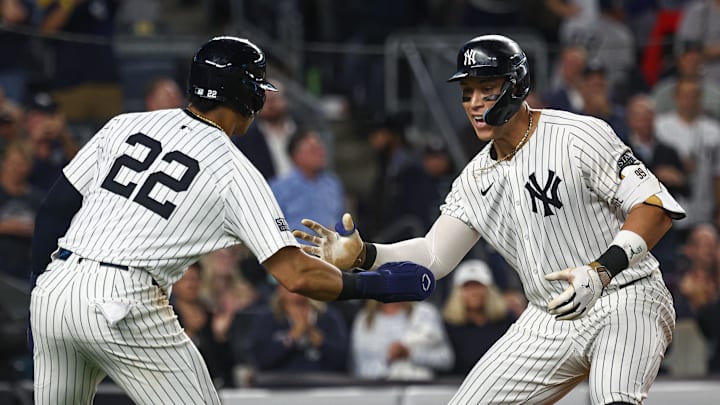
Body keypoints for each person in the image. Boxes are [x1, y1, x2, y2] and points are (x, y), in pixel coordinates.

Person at [28, 36, 435, 405]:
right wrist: (379, 286)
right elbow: (296, 275)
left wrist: (39, 294)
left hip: (54, 289)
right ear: (246, 94)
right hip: (125, 300)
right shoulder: (233, 170)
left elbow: (53, 211)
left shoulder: (126, 124)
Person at [296, 34, 687, 404]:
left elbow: (654, 207)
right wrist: (365, 254)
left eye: (487, 90)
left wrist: (602, 270)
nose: (475, 103)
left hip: (626, 295)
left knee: (613, 398)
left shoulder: (577, 134)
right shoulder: (475, 177)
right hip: (549, 316)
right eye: (467, 94)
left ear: (516, 87)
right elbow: (434, 254)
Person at [441, 259, 515, 376]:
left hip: (500, 380)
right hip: (458, 384)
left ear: (489, 290)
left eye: (478, 286)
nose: (473, 292)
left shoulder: (506, 320)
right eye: (467, 287)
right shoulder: (448, 324)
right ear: (458, 292)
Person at [350, 299, 453, 380]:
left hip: (420, 391)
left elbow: (446, 359)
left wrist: (410, 354)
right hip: (378, 393)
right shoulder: (364, 320)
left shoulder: (425, 313)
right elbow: (359, 368)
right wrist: (388, 360)